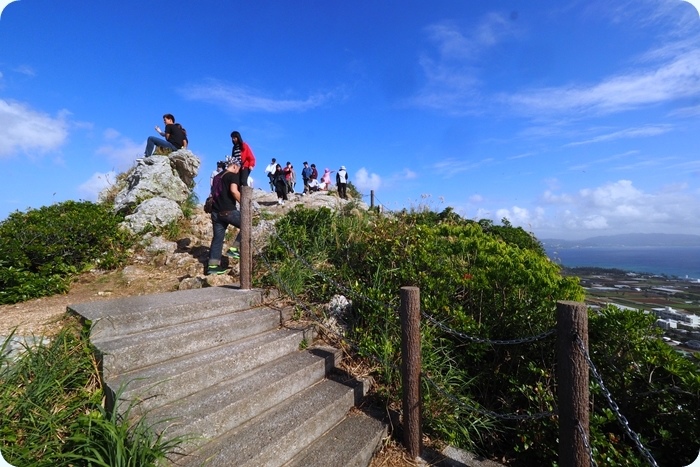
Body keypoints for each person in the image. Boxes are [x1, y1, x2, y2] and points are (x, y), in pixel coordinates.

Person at [207, 162, 243, 275]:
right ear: (234, 166)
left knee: (217, 238)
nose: (239, 172)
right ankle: (234, 249)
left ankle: (212, 266)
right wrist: (245, 204)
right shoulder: (233, 175)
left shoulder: (217, 176)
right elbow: (233, 190)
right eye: (239, 169)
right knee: (247, 224)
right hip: (228, 211)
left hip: (215, 212)